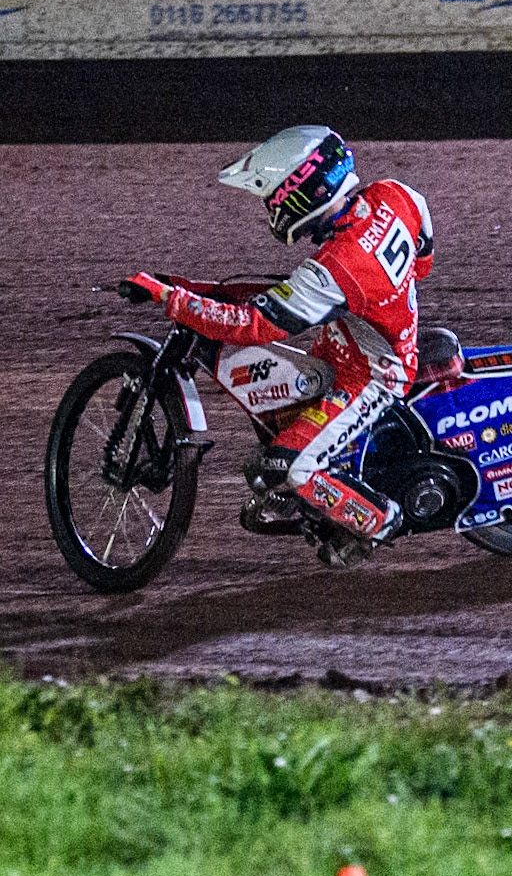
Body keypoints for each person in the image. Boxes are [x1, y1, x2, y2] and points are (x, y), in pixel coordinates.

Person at [126, 126, 434, 569]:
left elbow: (250, 325)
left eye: (273, 198)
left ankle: (379, 522)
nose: (270, 208)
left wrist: (169, 299)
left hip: (373, 376)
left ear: (301, 194)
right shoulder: (391, 195)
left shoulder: (337, 267)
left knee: (289, 467)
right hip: (347, 342)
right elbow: (423, 245)